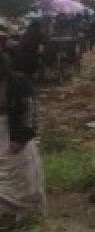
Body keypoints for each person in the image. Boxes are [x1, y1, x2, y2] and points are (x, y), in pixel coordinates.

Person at [0, 53, 46, 220]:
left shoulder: (16, 81)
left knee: (20, 180)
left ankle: (23, 217)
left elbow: (28, 110)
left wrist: (19, 137)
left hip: (12, 138)